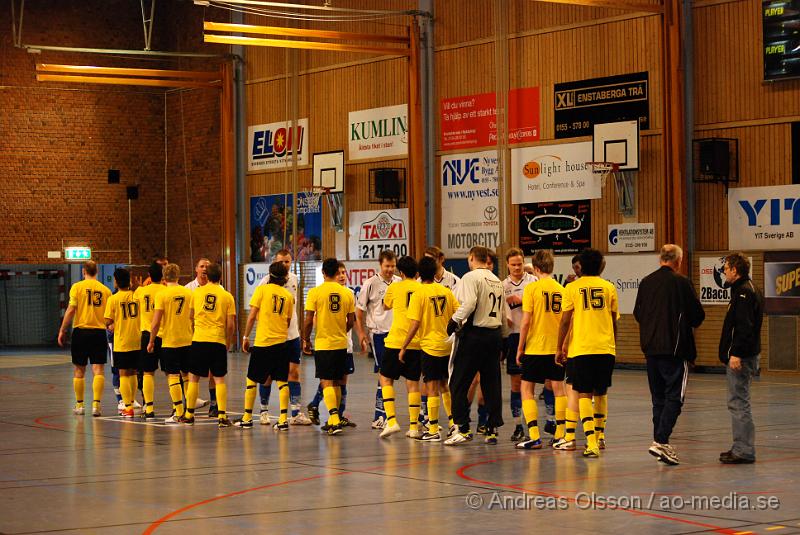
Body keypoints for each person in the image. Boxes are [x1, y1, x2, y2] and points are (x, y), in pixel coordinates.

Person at [634, 244, 705, 465]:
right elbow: (697, 316)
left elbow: (638, 313)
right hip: (675, 350)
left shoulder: (646, 282)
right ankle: (661, 440)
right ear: (679, 260)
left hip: (651, 348)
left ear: (660, 259)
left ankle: (660, 443)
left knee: (658, 398)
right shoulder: (682, 283)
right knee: (675, 396)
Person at [555, 248, 618, 458]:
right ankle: (600, 437)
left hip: (582, 348)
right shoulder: (609, 287)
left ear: (580, 265)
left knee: (584, 393)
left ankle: (590, 443)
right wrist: (613, 344)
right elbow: (612, 319)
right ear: (600, 265)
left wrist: (559, 346)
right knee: (601, 391)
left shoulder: (572, 288)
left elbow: (565, 321)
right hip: (605, 347)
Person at [444, 246, 506, 446]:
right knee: (491, 383)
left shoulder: (471, 277)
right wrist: (503, 338)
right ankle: (492, 428)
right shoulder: (496, 280)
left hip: (475, 335)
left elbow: (469, 302)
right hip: (494, 335)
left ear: (471, 258)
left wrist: (454, 320)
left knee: (458, 382)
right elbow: (502, 311)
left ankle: (462, 428)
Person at [401, 256, 460, 442]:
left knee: (431, 387)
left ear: (419, 274)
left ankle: (433, 429)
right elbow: (458, 314)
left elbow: (414, 324)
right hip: (448, 345)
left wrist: (403, 347)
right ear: (435, 272)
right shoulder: (446, 291)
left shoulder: (419, 294)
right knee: (445, 386)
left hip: (430, 347)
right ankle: (454, 424)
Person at [515, 250, 566, 450]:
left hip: (536, 346)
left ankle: (534, 436)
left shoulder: (532, 289)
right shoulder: (561, 289)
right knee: (559, 389)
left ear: (535, 268)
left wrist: (520, 348)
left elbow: (526, 321)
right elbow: (566, 321)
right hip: (555, 347)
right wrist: (563, 347)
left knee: (526, 389)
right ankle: (560, 435)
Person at [257, 249, 312, 426]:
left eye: (288, 262)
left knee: (294, 373)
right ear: (275, 262)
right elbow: (256, 310)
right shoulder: (265, 283)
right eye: (282, 262)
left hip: (292, 335)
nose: (285, 265)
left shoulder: (294, 279)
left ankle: (295, 412)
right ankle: (264, 411)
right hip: (272, 337)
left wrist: (303, 335)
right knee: (267, 375)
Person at [237, 261, 295, 430]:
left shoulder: (262, 290)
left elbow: (252, 315)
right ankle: (283, 419)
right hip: (281, 343)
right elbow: (288, 321)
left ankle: (247, 417)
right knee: (282, 382)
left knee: (252, 380)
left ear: (270, 275)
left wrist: (245, 337)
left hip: (263, 343)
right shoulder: (288, 296)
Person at [718, 253, 763, 464]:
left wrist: (735, 353)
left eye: (726, 268)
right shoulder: (746, 289)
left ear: (735, 270)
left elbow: (744, 328)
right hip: (745, 354)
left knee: (738, 402)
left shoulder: (744, 293)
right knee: (739, 401)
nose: (724, 271)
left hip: (741, 357)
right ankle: (741, 446)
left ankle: (744, 450)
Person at [302, 258, 355, 436]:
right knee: (338, 382)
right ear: (335, 273)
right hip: (341, 343)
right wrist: (341, 330)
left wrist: (306, 339)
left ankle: (333, 419)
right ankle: (337, 418)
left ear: (324, 273)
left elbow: (309, 319)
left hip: (324, 343)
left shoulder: (315, 292)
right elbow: (351, 321)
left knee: (326, 382)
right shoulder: (347, 293)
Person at [377, 256, 423, 439]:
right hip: (417, 342)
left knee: (385, 379)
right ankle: (413, 427)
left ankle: (392, 421)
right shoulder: (421, 288)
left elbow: (385, 305)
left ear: (400, 272)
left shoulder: (394, 287)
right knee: (413, 384)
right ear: (417, 272)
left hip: (396, 341)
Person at [185, 262, 236, 428]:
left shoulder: (197, 293)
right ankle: (221, 416)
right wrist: (227, 341)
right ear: (220, 277)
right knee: (219, 378)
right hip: (217, 340)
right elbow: (230, 325)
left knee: (193, 377)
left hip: (199, 339)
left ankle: (189, 414)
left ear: (207, 276)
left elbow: (190, 316)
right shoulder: (227, 296)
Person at [58, 260, 112, 416]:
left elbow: (71, 310)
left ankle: (80, 405)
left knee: (79, 370)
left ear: (83, 272)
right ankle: (96, 405)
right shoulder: (105, 290)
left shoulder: (77, 287)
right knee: (99, 370)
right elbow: (109, 317)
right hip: (98, 332)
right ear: (97, 272)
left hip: (81, 332)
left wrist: (62, 329)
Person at [354, 249, 400, 430]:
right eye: (387, 266)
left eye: (393, 266)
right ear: (380, 265)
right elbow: (359, 311)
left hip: (397, 334)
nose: (390, 269)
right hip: (379, 334)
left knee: (391, 377)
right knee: (384, 374)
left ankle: (387, 414)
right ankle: (379, 416)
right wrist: (361, 333)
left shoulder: (399, 282)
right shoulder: (371, 283)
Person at [148, 263, 194, 424]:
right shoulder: (188, 293)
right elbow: (193, 317)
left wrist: (151, 340)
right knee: (187, 376)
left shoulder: (162, 294)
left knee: (173, 376)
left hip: (170, 340)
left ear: (164, 277)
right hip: (188, 340)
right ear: (178, 276)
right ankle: (189, 411)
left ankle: (178, 411)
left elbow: (155, 322)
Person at [502, 247, 537, 442]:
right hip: (514, 336)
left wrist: (522, 300)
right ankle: (518, 425)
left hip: (534, 335)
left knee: (544, 381)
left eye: (519, 264)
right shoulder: (502, 285)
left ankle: (550, 421)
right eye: (513, 264)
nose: (517, 268)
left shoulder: (533, 282)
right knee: (516, 384)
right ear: (507, 264)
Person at [103, 268, 141, 419]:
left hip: (122, 341)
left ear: (116, 281)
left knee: (123, 374)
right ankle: (132, 401)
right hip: (137, 340)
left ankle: (128, 407)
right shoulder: (136, 296)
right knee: (133, 372)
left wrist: (111, 323)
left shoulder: (113, 299)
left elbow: (107, 320)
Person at [133, 262, 166, 419]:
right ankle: (177, 407)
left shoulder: (141, 291)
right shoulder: (166, 291)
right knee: (172, 373)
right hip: (165, 335)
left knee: (147, 372)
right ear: (163, 276)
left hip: (147, 335)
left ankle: (149, 407)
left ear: (149, 275)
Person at [185, 258, 213, 413]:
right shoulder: (188, 289)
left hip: (212, 336)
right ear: (196, 269)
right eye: (201, 266)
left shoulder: (218, 289)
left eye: (207, 267)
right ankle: (190, 404)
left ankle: (214, 404)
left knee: (214, 373)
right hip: (194, 337)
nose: (204, 269)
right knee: (192, 373)